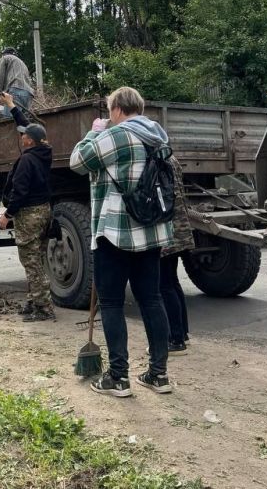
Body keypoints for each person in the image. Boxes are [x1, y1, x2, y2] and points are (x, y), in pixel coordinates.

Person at [69, 86, 175, 397]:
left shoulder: (115, 136)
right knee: (151, 299)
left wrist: (93, 133)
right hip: (151, 230)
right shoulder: (158, 136)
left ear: (115, 110)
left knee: (112, 303)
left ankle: (118, 377)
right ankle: (158, 374)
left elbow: (77, 161)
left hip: (114, 231)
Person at [0, 100, 55, 322]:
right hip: (43, 211)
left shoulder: (26, 161)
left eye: (24, 136)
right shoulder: (44, 152)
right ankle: (33, 301)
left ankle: (44, 308)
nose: (21, 136)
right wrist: (12, 106)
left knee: (31, 262)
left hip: (29, 215)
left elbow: (19, 193)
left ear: (29, 141)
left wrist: (7, 215)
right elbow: (27, 126)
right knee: (37, 258)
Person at [159, 157, 193, 355]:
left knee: (164, 285)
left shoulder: (157, 161)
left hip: (167, 230)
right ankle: (183, 333)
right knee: (173, 281)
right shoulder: (172, 159)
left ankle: (176, 339)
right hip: (180, 227)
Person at [0, 47, 35, 118]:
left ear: (4, 54)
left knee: (8, 122)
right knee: (22, 123)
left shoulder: (5, 58)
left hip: (15, 92)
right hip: (28, 95)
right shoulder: (23, 63)